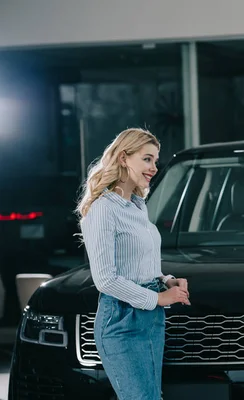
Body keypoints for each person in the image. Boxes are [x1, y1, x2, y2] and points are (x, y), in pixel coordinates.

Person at [76, 128, 191, 400]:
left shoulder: (137, 205)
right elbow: (105, 279)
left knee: (151, 396)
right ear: (124, 158)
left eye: (155, 160)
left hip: (150, 318)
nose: (154, 167)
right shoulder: (104, 208)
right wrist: (159, 298)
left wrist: (166, 280)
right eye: (147, 159)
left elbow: (140, 261)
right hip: (121, 319)